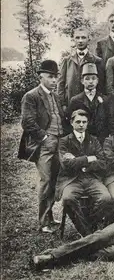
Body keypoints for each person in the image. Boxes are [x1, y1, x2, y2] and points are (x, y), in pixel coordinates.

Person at [18, 60, 69, 233]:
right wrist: (45, 137)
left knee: (55, 180)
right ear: (41, 77)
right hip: (44, 144)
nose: (54, 80)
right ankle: (43, 222)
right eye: (50, 77)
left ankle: (49, 217)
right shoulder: (31, 96)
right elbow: (27, 122)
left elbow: (60, 118)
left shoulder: (56, 96)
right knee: (46, 180)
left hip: (59, 142)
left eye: (56, 77)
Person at [56, 109, 112, 236]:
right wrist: (89, 158)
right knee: (68, 198)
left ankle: (89, 225)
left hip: (91, 178)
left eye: (84, 122)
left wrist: (78, 162)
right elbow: (66, 165)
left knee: (106, 198)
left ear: (87, 123)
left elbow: (103, 163)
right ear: (71, 122)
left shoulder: (94, 140)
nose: (81, 125)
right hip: (71, 180)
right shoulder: (64, 141)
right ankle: (87, 234)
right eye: (78, 122)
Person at [58, 27, 105, 108]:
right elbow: (61, 84)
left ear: (88, 39)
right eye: (77, 37)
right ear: (73, 39)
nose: (80, 40)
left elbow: (101, 85)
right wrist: (63, 104)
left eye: (83, 37)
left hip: (90, 104)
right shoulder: (66, 60)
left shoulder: (97, 60)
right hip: (71, 104)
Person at [67, 62, 108, 143]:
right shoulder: (75, 100)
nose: (90, 81)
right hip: (82, 140)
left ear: (97, 81)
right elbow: (69, 122)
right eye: (87, 79)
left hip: (101, 139)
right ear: (82, 81)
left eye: (93, 78)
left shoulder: (105, 99)